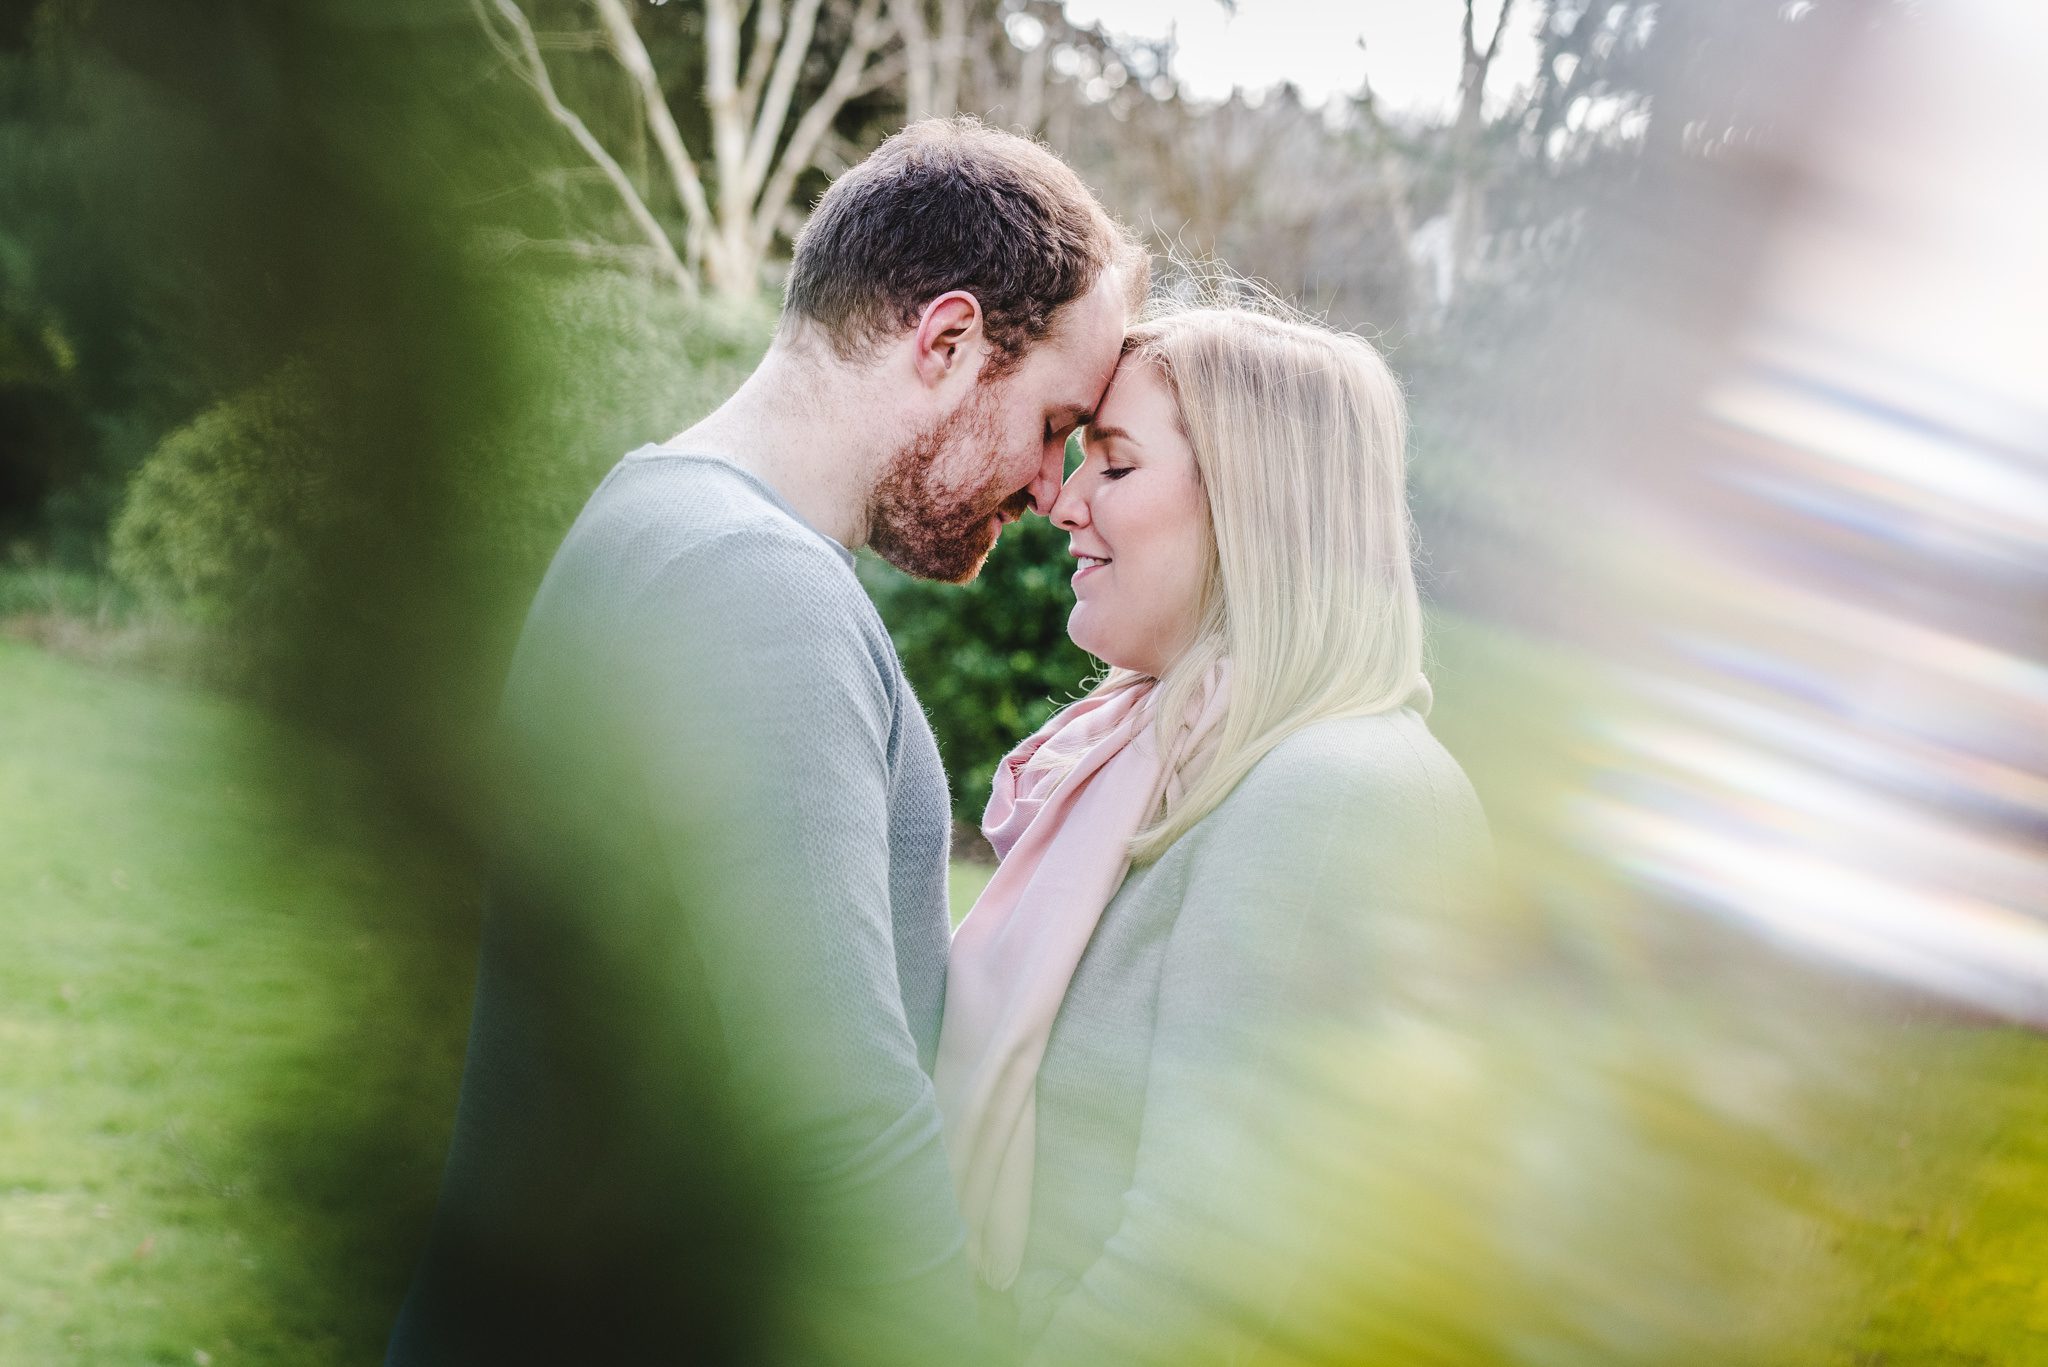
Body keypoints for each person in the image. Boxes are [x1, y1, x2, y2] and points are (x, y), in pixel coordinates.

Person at [387, 118, 1145, 1366]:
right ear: (945, 341)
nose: (1052, 487)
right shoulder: (755, 587)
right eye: (1054, 422)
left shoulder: (652, 508)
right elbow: (840, 1123)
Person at [934, 300, 1496, 1364]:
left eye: (1114, 464)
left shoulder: (1335, 795)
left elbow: (1205, 1274)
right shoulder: (1174, 758)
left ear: (1252, 505)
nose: (1061, 502)